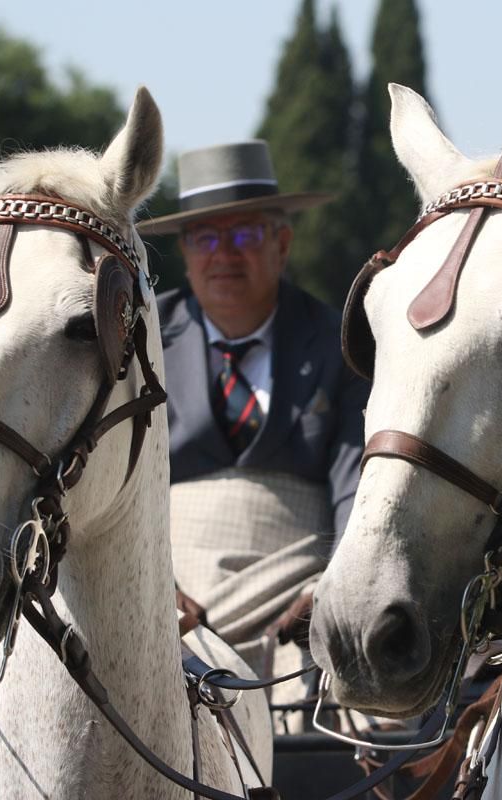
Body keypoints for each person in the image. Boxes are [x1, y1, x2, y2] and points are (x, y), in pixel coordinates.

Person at [136, 141, 368, 689]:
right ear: (186, 251)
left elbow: (360, 484)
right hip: (164, 605)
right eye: (206, 238)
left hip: (300, 608)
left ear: (281, 244)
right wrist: (151, 586)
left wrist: (333, 584)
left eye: (243, 235)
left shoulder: (342, 347)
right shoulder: (138, 346)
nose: (224, 254)